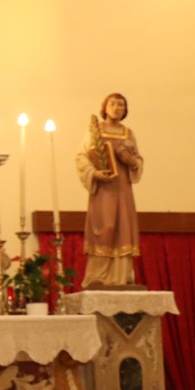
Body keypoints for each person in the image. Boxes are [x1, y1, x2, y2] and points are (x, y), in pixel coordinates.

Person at [75, 92, 143, 288]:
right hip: (103, 190)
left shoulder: (128, 134)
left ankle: (121, 276)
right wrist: (94, 173)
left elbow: (138, 159)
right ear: (105, 107)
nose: (116, 108)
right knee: (103, 228)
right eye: (112, 103)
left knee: (123, 227)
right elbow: (81, 157)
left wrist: (133, 162)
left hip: (122, 189)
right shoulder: (95, 131)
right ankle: (98, 275)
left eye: (121, 105)